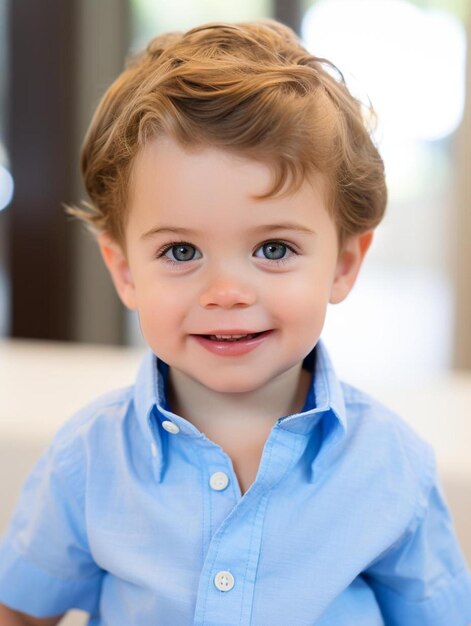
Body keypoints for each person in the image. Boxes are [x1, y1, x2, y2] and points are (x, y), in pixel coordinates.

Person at [0, 18, 470, 626]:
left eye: (273, 249)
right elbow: (20, 611)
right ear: (124, 270)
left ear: (344, 263)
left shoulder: (391, 466)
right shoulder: (88, 460)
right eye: (180, 252)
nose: (226, 293)